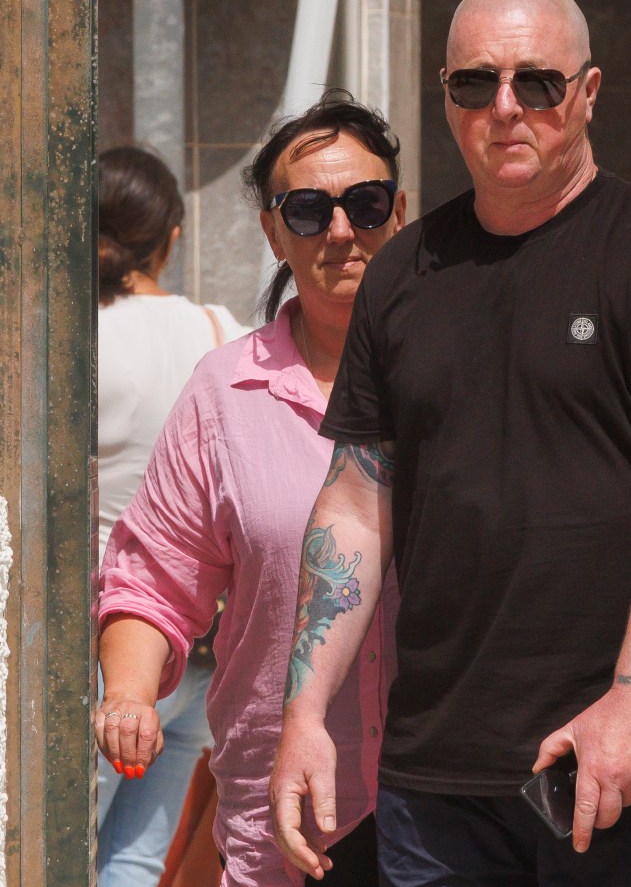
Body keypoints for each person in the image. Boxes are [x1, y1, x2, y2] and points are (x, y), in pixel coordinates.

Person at [269, 0, 631, 887]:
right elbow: (357, 501)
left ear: (587, 93)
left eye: (538, 83)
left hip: (610, 774)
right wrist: (304, 712)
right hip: (435, 784)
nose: (506, 108)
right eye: (476, 83)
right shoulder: (401, 275)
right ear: (446, 97)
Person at [96, 95, 406, 887]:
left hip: (443, 817)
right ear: (274, 231)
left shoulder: (463, 371)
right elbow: (156, 576)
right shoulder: (225, 392)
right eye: (307, 210)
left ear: (398, 211)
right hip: (281, 822)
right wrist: (129, 693)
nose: (340, 230)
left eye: (364, 204)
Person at [97, 145, 250, 887]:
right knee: (136, 856)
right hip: (198, 640)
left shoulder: (76, 341)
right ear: (172, 237)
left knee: (62, 847)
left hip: (106, 646)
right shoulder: (218, 329)